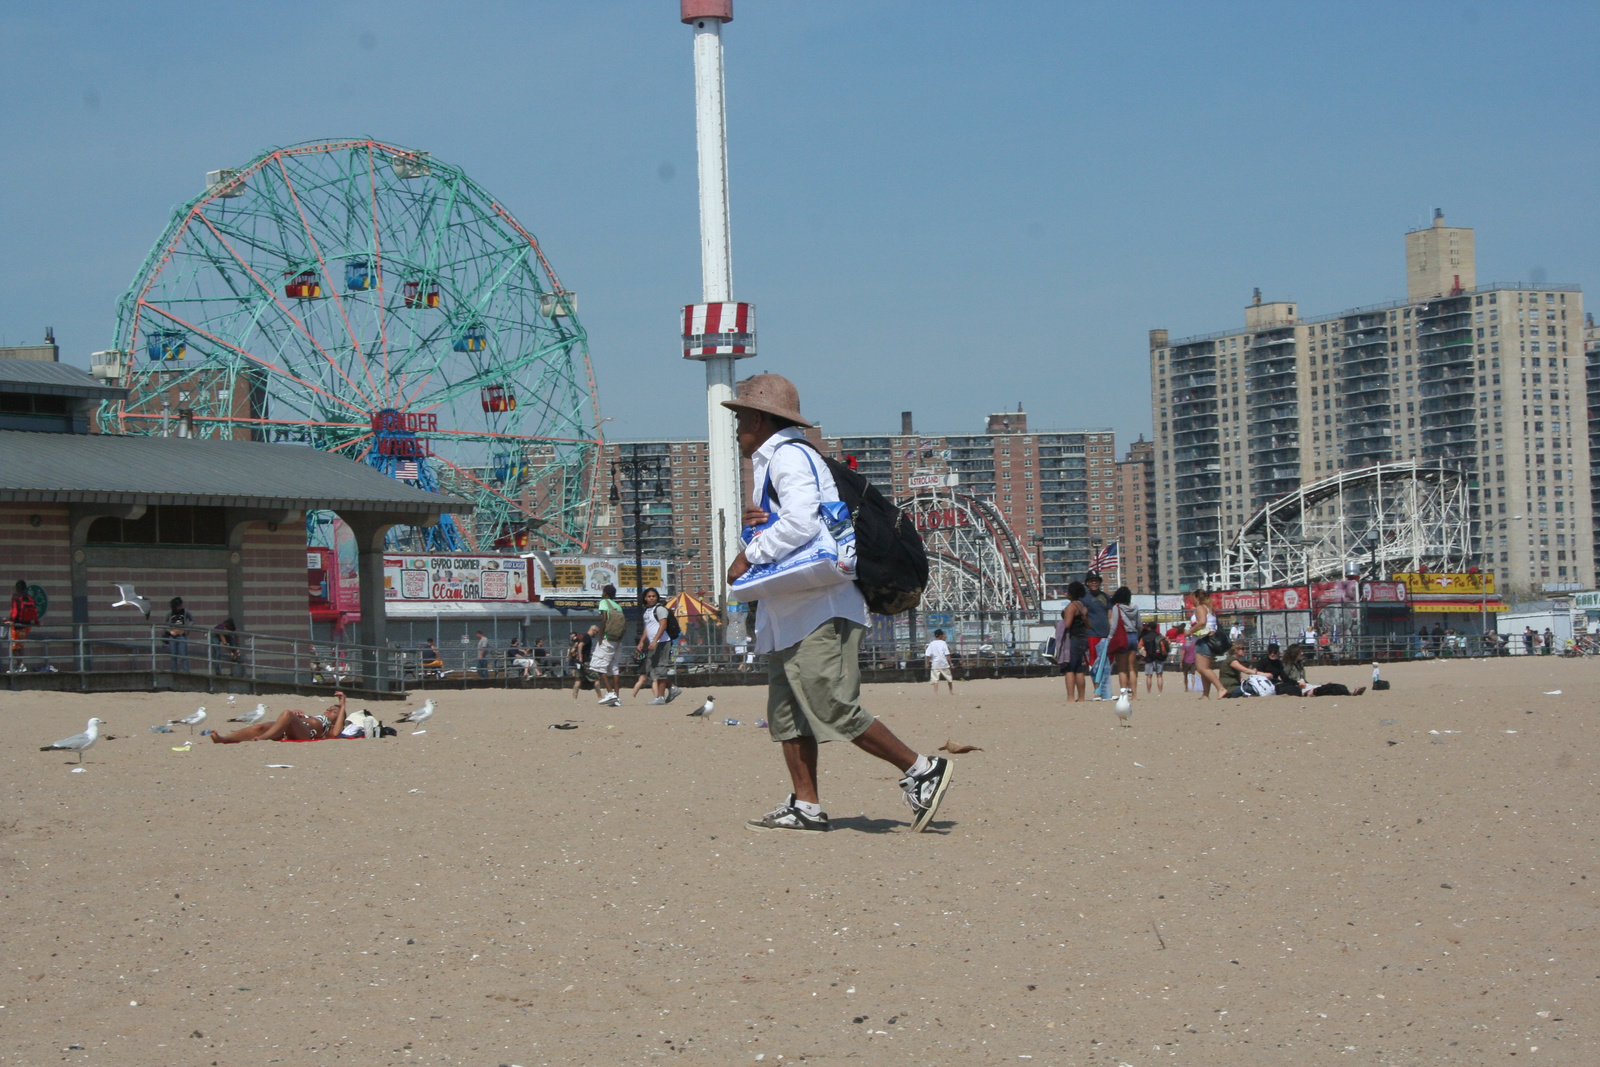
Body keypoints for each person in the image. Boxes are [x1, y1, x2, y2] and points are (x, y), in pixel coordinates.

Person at [723, 373, 952, 833]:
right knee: (786, 714)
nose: (737, 426)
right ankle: (804, 805)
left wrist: (749, 554)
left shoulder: (788, 456)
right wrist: (760, 521)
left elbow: (804, 525)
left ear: (764, 418)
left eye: (743, 416)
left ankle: (921, 769)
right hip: (788, 609)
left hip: (819, 607)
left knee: (832, 705)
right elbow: (795, 519)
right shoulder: (776, 461)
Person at [212, 691, 350, 742]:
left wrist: (342, 706)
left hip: (307, 733)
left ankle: (262, 738)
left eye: (334, 711)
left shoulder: (330, 728)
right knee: (260, 726)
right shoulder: (315, 716)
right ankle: (224, 739)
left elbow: (337, 732)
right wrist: (298, 717)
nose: (329, 710)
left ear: (339, 719)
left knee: (286, 714)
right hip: (292, 728)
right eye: (329, 708)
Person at [635, 587, 681, 705]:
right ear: (645, 598)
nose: (651, 598)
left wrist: (655, 640)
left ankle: (660, 697)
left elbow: (663, 625)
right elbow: (648, 627)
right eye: (649, 596)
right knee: (652, 669)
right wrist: (642, 641)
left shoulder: (660, 609)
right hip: (653, 643)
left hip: (662, 642)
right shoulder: (647, 611)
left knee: (660, 668)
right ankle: (672, 688)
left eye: (653, 596)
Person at [1053, 583, 1090, 702]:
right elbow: (1088, 624)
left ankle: (1070, 697)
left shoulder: (1071, 607)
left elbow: (1067, 624)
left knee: (1069, 668)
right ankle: (1081, 697)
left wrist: (1057, 625)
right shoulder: (1082, 606)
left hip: (1073, 638)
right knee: (1079, 668)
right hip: (1082, 637)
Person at [1281, 645, 1365, 697]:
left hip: (1307, 686)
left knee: (1332, 686)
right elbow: (1285, 679)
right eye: (1300, 652)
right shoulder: (1288, 665)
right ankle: (1351, 693)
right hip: (1300, 689)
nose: (1302, 653)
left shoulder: (1300, 665)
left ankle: (1350, 692)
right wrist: (1298, 685)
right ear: (1295, 653)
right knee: (1329, 688)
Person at [1081, 571, 1114, 700]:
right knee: (1093, 663)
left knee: (1106, 664)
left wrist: (1112, 631)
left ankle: (1105, 691)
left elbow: (1110, 616)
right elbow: (1083, 615)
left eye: (1096, 580)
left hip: (1105, 634)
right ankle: (1097, 690)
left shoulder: (1106, 597)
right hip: (1092, 634)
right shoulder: (1084, 598)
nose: (1094, 582)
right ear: (1088, 583)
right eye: (1092, 580)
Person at [1188, 589, 1225, 698]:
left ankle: (1220, 688)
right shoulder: (1209, 608)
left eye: (1193, 598)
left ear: (1197, 598)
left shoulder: (1201, 608)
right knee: (1205, 668)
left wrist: (1189, 631)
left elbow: (1202, 622)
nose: (1192, 600)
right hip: (1210, 640)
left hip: (1204, 640)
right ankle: (1206, 694)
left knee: (1201, 668)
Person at [592, 585, 625, 707]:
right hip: (617, 640)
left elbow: (604, 619)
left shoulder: (604, 602)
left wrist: (601, 637)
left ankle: (610, 693)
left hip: (607, 639)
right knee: (614, 667)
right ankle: (617, 697)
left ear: (605, 593)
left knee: (599, 666)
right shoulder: (618, 606)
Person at [1108, 586, 1141, 700]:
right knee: (1132, 668)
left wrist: (1110, 637)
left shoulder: (1117, 607)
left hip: (1123, 637)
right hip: (1133, 636)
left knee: (1122, 668)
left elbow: (1114, 625)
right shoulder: (1135, 608)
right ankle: (1135, 695)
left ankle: (1124, 694)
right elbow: (1139, 624)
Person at [8, 579, 39, 673]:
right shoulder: (29, 598)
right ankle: (19, 666)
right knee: (20, 646)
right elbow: (35, 611)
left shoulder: (16, 597)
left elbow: (14, 611)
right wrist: (37, 622)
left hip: (17, 626)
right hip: (26, 626)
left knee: (13, 648)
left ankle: (21, 665)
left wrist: (12, 620)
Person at [1138, 622, 1168, 696]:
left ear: (1149, 628)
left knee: (1149, 676)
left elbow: (1140, 647)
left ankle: (1149, 691)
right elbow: (1168, 643)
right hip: (1159, 657)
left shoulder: (1144, 637)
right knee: (1159, 675)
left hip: (1149, 657)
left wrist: (1144, 656)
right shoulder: (1160, 636)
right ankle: (1160, 691)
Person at [165, 596, 194, 673]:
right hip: (173, 636)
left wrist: (187, 629)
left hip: (182, 635)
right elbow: (164, 624)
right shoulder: (170, 613)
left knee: (183, 654)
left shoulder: (185, 612)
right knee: (173, 655)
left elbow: (192, 620)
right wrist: (170, 631)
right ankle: (174, 671)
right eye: (179, 606)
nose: (180, 607)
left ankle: (186, 671)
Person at [569, 627, 597, 699]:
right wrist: (581, 656)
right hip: (585, 661)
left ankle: (574, 697)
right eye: (596, 632)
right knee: (596, 678)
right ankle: (600, 696)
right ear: (593, 630)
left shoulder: (582, 636)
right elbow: (580, 645)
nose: (596, 634)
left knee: (578, 680)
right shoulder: (587, 637)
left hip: (578, 662)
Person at [925, 628, 955, 695]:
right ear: (940, 635)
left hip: (935, 663)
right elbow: (947, 654)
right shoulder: (943, 643)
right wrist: (951, 663)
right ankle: (951, 691)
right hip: (943, 662)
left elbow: (928, 655)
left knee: (935, 679)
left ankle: (936, 693)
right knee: (949, 678)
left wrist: (928, 663)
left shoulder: (931, 643)